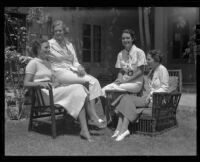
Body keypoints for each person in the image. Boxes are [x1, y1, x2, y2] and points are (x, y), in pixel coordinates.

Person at [24, 39, 95, 142]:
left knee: (79, 88)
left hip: (53, 91)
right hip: (44, 95)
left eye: (49, 47)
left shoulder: (48, 63)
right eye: (46, 47)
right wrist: (40, 83)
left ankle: (84, 130)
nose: (49, 49)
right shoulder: (33, 63)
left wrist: (57, 83)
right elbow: (26, 83)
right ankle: (90, 119)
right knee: (78, 89)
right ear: (38, 49)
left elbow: (53, 81)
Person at [48, 20, 105, 128]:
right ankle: (93, 117)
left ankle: (91, 116)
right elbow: (43, 58)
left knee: (95, 82)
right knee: (90, 81)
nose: (58, 33)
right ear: (53, 32)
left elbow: (75, 62)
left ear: (64, 31)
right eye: (56, 31)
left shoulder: (69, 44)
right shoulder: (50, 44)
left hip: (70, 71)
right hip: (59, 73)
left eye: (60, 30)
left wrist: (80, 68)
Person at [112, 49, 169, 141]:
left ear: (156, 59)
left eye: (149, 59)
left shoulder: (163, 70)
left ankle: (122, 129)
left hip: (155, 100)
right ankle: (121, 129)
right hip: (146, 98)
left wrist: (151, 93)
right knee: (124, 97)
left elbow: (165, 88)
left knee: (126, 99)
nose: (146, 61)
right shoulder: (152, 71)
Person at [102, 29, 147, 96]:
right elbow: (121, 71)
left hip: (135, 84)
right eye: (123, 38)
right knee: (105, 89)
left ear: (132, 39)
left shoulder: (139, 52)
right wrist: (119, 80)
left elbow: (141, 71)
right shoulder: (120, 54)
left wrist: (125, 81)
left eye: (128, 38)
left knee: (109, 89)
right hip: (124, 83)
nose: (125, 40)